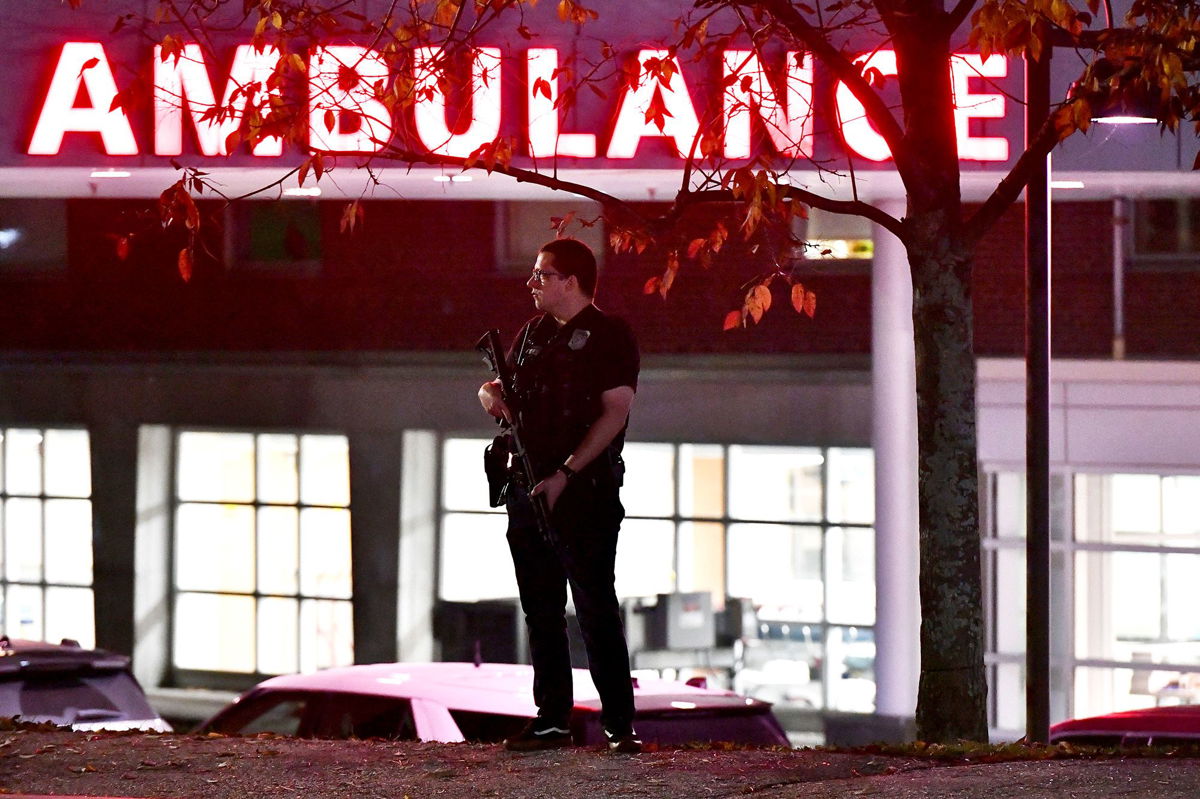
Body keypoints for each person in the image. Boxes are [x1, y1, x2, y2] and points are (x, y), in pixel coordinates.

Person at [477, 238, 642, 754]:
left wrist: (567, 473)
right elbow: (501, 387)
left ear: (570, 281)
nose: (533, 283)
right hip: (530, 486)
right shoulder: (532, 334)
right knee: (540, 609)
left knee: (594, 606)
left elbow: (615, 412)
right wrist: (490, 395)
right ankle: (551, 718)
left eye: (542, 275)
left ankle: (619, 724)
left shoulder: (610, 335)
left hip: (584, 491)